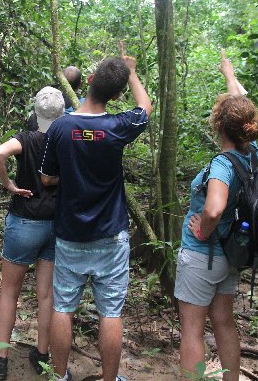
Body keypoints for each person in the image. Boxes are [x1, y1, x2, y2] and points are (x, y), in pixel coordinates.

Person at [40, 42, 152, 381]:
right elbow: (145, 106)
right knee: (110, 312)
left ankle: (59, 376)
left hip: (71, 233)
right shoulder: (118, 127)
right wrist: (131, 72)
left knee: (63, 307)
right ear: (116, 97)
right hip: (110, 235)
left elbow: (47, 177)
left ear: (89, 80)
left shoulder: (60, 127)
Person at [174, 54, 257, 381]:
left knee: (192, 331)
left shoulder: (223, 164)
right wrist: (230, 74)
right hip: (230, 254)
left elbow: (214, 208)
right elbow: (242, 108)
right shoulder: (251, 154)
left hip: (203, 255)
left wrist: (205, 229)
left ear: (220, 125)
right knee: (223, 322)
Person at [0, 87, 66, 380]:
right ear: (61, 112)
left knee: (9, 292)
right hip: (55, 223)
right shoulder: (65, 139)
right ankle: (42, 354)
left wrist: (9, 184)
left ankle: (1, 360)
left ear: (36, 111)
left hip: (25, 221)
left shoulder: (26, 139)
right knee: (46, 295)